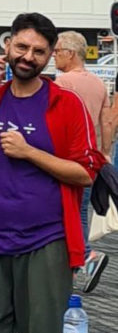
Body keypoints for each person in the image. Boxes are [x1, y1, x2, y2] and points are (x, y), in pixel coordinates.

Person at [0, 13, 103, 333]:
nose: (28, 57)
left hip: (46, 239)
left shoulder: (65, 104)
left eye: (38, 51)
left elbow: (85, 173)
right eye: (21, 47)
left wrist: (29, 152)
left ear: (51, 55)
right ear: (8, 46)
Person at [53, 31, 109, 291]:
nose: (54, 55)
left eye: (57, 51)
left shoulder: (63, 82)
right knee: (79, 211)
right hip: (91, 158)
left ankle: (86, 257)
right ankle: (77, 263)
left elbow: (56, 121)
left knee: (63, 211)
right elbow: (106, 122)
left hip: (66, 157)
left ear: (70, 54)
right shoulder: (98, 83)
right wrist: (105, 153)